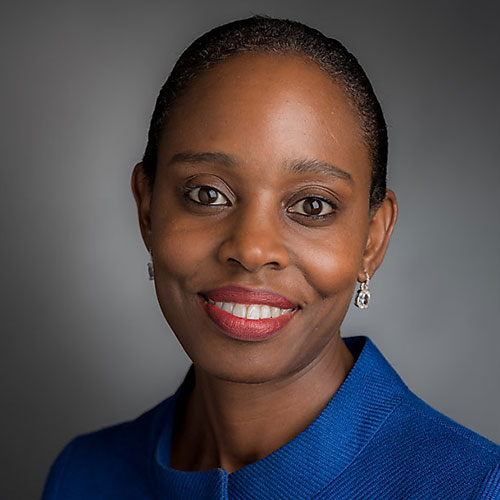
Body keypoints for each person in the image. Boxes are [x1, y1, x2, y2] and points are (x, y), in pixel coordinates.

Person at [42, 15, 500, 499]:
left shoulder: (475, 487)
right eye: (207, 194)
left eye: (312, 206)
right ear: (148, 210)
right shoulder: (83, 475)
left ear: (372, 239)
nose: (253, 249)